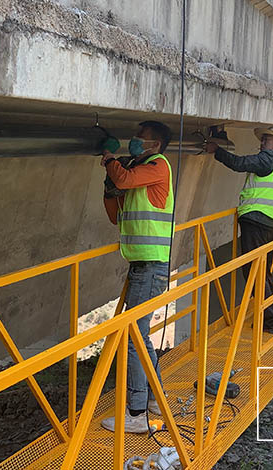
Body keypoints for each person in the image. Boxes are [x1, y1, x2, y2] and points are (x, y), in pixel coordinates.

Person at [99, 121, 174, 434]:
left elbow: (125, 178)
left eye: (140, 138)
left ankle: (136, 413)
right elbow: (115, 215)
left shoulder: (158, 166)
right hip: (142, 264)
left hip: (151, 265)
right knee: (139, 336)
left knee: (134, 337)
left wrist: (110, 161)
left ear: (155, 145)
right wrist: (110, 184)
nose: (135, 141)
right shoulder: (140, 175)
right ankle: (155, 398)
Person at [205, 126, 273, 334]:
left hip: (258, 218)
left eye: (267, 139)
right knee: (263, 271)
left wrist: (217, 151)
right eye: (263, 139)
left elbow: (240, 163)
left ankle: (271, 319)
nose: (262, 142)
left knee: (254, 271)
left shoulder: (269, 158)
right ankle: (272, 315)